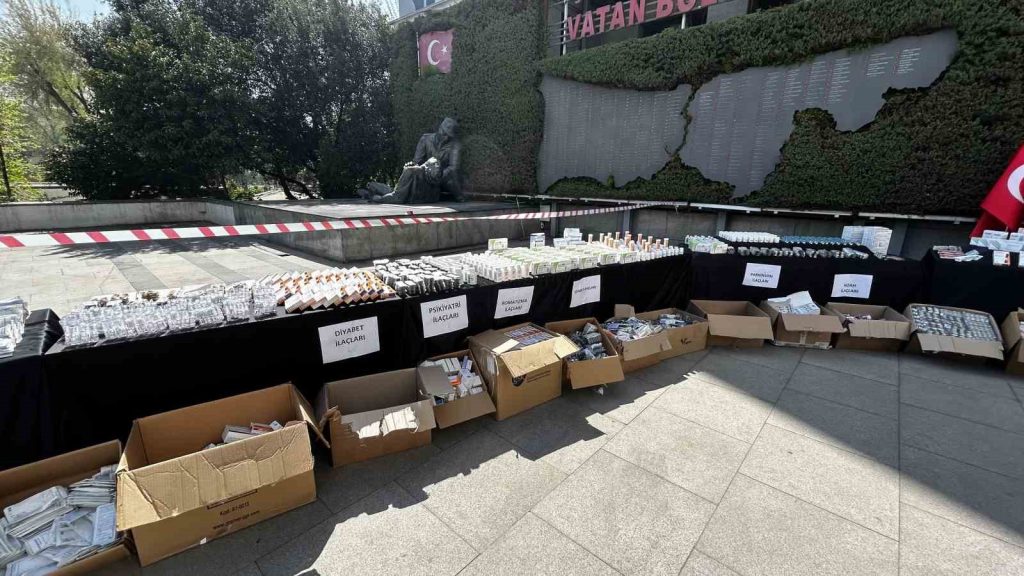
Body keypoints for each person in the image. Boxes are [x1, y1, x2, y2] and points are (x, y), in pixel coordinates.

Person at [358, 117, 465, 203]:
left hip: (438, 180)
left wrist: (437, 175)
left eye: (449, 136)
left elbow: (453, 168)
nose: (446, 137)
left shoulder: (455, 146)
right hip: (424, 172)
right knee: (409, 173)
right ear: (440, 129)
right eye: (445, 133)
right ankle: (375, 189)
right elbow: (417, 161)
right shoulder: (425, 139)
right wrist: (413, 165)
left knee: (402, 192)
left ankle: (376, 192)